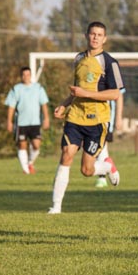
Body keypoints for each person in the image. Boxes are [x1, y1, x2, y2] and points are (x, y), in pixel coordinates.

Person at [49, 21, 124, 214]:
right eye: (92, 34)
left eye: (99, 35)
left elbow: (115, 94)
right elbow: (76, 90)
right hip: (75, 117)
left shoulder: (109, 62)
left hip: (97, 121)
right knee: (66, 155)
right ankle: (55, 207)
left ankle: (106, 167)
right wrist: (64, 105)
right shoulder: (78, 58)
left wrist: (87, 94)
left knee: (86, 170)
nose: (95, 37)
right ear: (86, 35)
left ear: (104, 39)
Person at [5, 66, 50, 174]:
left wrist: (46, 118)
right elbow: (11, 106)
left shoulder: (38, 88)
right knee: (22, 145)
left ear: (31, 75)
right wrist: (9, 121)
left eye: (28, 74)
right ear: (21, 76)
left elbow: (44, 104)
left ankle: (29, 163)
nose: (26, 77)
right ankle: (26, 170)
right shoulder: (16, 89)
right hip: (21, 123)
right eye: (24, 75)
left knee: (36, 145)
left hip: (35, 122)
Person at [94, 90, 124, 188]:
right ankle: (107, 167)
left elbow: (119, 95)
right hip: (89, 116)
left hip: (105, 117)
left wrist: (118, 118)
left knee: (102, 146)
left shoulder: (111, 79)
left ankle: (102, 178)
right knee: (95, 148)